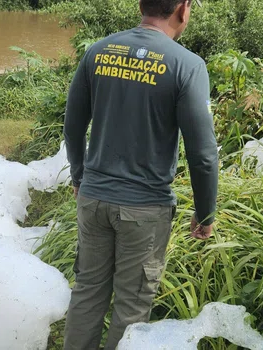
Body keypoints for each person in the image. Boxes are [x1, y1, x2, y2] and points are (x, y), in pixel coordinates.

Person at [62, 0, 218, 349]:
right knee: (131, 307)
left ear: (140, 5)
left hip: (94, 199)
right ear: (183, 8)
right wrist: (206, 213)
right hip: (144, 211)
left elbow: (72, 128)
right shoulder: (187, 65)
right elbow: (203, 154)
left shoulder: (99, 52)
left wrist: (79, 177)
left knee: (87, 293)